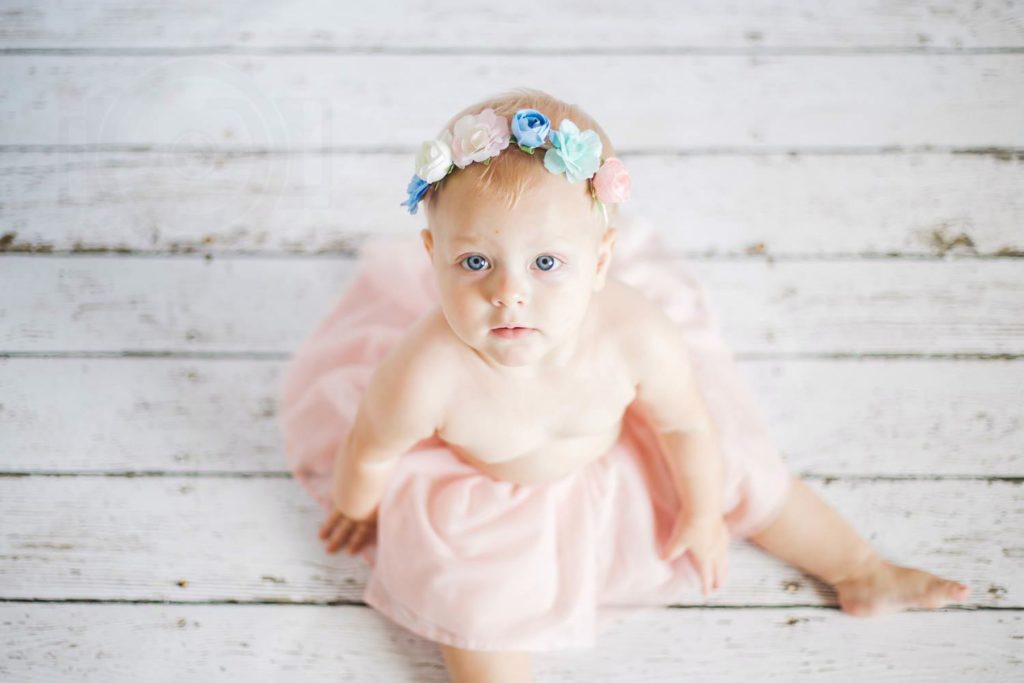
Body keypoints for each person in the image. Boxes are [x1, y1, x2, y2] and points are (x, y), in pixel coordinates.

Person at [279, 87, 970, 682]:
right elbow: (371, 447)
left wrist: (701, 509)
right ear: (432, 256)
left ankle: (859, 567)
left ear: (601, 258)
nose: (508, 294)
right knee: (473, 606)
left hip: (625, 448)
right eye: (475, 261)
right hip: (484, 492)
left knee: (746, 472)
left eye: (547, 261)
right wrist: (359, 503)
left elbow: (684, 425)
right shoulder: (424, 370)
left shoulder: (633, 334)